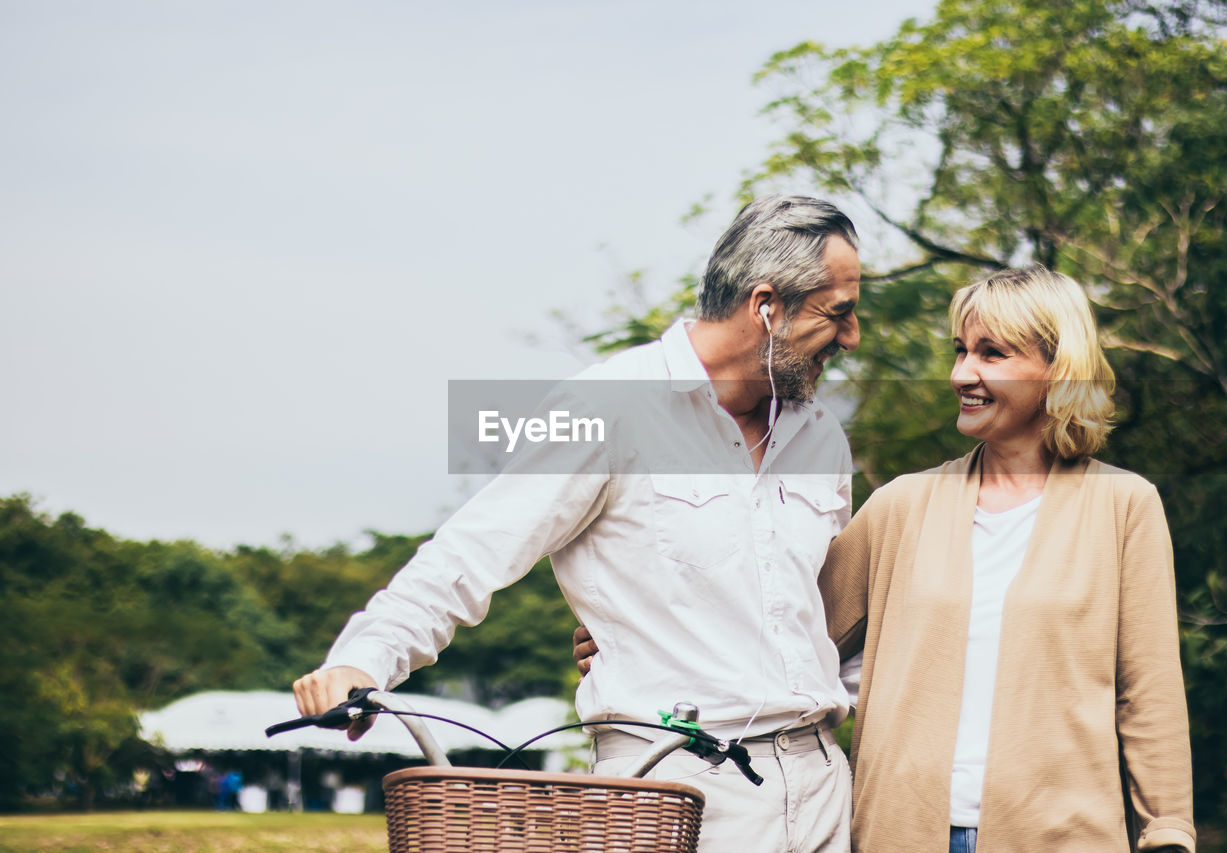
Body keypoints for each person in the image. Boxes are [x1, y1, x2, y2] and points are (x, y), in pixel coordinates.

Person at [293, 195, 863, 851]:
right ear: (767, 305)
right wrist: (360, 661)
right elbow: (467, 553)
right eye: (837, 313)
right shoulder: (605, 405)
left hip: (822, 787)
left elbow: (821, 615)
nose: (850, 336)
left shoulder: (823, 438)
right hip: (673, 790)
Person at [819, 266, 1194, 851]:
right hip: (899, 832)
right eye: (961, 351)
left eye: (992, 354)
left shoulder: (1126, 505)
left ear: (1059, 370)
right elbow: (790, 641)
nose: (962, 373)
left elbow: (1149, 696)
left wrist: (1167, 830)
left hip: (1065, 837)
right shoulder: (900, 505)